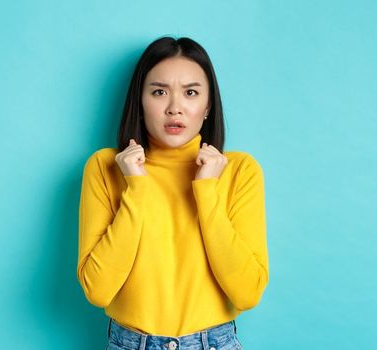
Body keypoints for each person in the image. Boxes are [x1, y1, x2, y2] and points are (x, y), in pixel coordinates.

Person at [77, 36, 268, 350]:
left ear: (207, 106)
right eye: (159, 92)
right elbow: (98, 291)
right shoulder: (105, 167)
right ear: (140, 101)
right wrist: (136, 188)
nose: (175, 108)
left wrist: (206, 190)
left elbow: (247, 293)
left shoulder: (240, 171)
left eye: (191, 92)